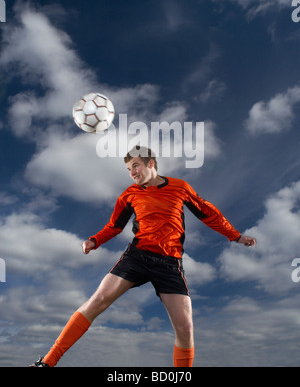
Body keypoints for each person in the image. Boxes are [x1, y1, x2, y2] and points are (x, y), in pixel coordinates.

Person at [30, 146, 256, 367]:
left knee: (185, 329)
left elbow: (208, 212)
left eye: (135, 166)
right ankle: (47, 363)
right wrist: (94, 240)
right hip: (137, 257)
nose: (132, 173)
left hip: (169, 264)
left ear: (151, 163)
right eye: (128, 169)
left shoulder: (180, 187)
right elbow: (114, 226)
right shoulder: (129, 195)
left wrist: (235, 236)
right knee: (97, 301)